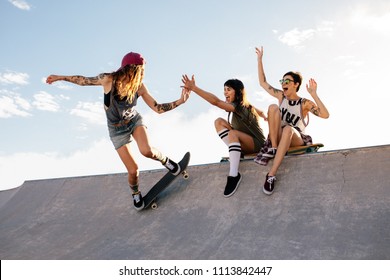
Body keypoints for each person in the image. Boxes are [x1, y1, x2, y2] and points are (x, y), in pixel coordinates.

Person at [46, 52, 190, 210]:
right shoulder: (108, 79)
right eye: (138, 72)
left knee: (146, 151)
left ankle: (168, 162)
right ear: (130, 70)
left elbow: (158, 108)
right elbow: (82, 81)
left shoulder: (140, 87)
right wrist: (59, 77)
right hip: (116, 130)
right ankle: (136, 194)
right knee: (133, 170)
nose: (140, 76)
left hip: (134, 121)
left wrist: (180, 101)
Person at [254, 46, 330, 195]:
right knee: (272, 108)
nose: (284, 83)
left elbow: (325, 115)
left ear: (296, 85)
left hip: (295, 138)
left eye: (288, 81)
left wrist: (314, 94)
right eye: (283, 81)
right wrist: (259, 60)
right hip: (278, 137)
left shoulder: (304, 103)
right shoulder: (281, 96)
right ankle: (274, 148)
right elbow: (263, 83)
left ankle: (271, 175)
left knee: (288, 128)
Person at [182, 74, 266, 197]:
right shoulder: (247, 106)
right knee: (219, 122)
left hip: (258, 145)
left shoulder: (239, 106)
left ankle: (234, 175)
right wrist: (264, 116)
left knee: (233, 133)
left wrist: (194, 88)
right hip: (246, 142)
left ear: (237, 92)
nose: (225, 93)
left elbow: (215, 102)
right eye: (224, 90)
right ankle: (236, 153)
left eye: (229, 89)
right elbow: (259, 110)